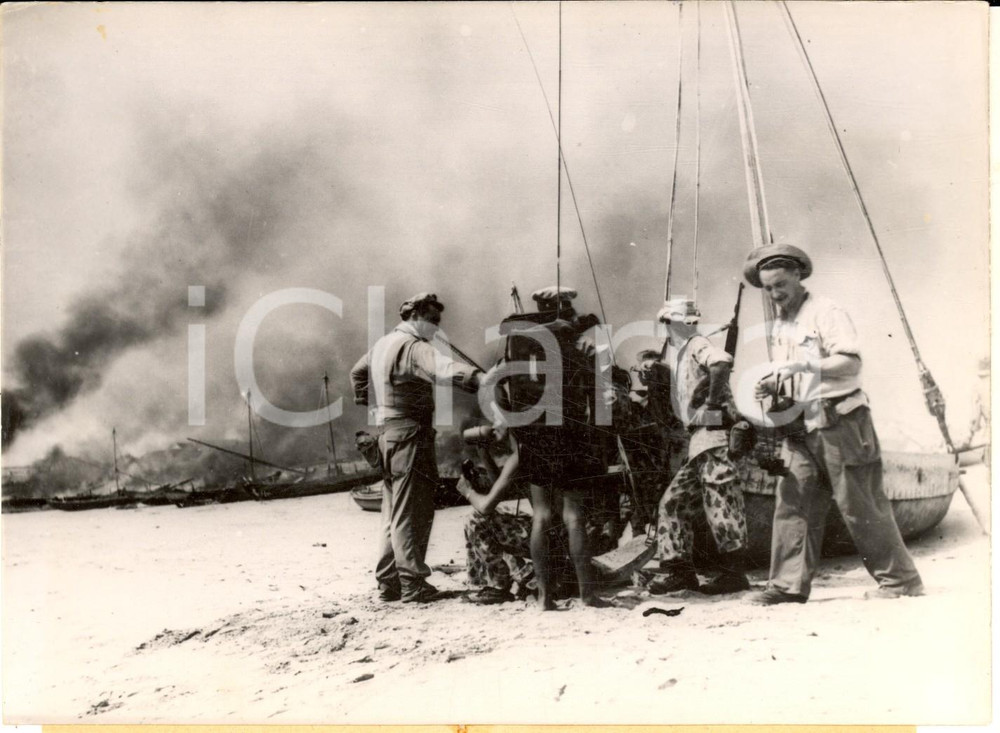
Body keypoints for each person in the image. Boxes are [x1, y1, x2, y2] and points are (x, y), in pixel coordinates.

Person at [744, 244, 924, 604]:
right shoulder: (781, 324)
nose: (776, 294)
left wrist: (805, 367)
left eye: (781, 284)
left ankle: (900, 581)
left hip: (841, 421)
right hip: (800, 426)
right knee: (793, 503)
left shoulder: (826, 312)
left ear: (798, 274)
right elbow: (790, 372)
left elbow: (850, 363)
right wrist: (772, 383)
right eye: (769, 289)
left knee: (860, 505)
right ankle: (786, 586)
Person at [350, 293, 482, 603]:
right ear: (417, 314)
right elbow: (444, 370)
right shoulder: (414, 347)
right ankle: (412, 585)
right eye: (433, 320)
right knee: (412, 512)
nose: (436, 328)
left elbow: (357, 371)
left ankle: (388, 583)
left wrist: (369, 401)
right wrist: (482, 379)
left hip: (386, 436)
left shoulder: (382, 344)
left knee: (391, 513)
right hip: (411, 435)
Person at [648, 298, 751, 596]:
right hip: (700, 441)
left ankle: (733, 574)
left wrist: (712, 404)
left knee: (721, 504)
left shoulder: (696, 344)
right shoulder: (684, 351)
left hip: (714, 437)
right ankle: (679, 572)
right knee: (673, 503)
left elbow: (721, 363)